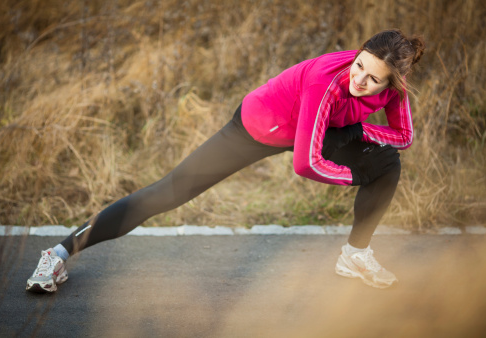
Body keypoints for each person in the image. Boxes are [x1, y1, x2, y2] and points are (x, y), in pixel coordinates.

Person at [26, 29, 425, 292]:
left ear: (392, 83)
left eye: (372, 78)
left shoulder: (395, 91)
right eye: (359, 65)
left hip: (324, 130)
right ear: (355, 56)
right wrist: (353, 174)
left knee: (387, 164)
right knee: (167, 193)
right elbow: (305, 164)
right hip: (258, 128)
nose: (359, 79)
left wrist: (355, 134)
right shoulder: (327, 82)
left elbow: (403, 137)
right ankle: (59, 253)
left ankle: (355, 255)